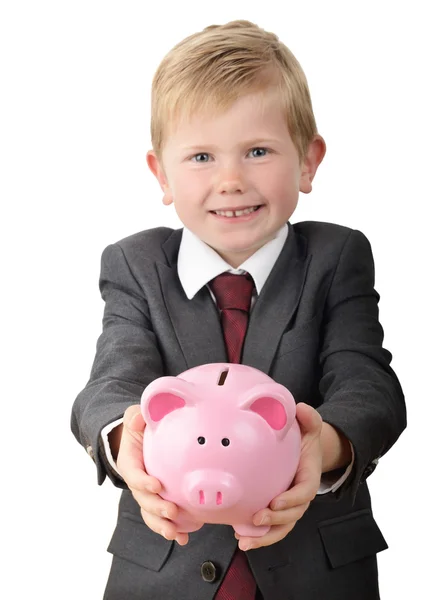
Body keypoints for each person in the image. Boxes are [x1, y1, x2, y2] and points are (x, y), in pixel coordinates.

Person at [71, 19, 406, 600]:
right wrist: (125, 440)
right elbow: (112, 378)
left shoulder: (337, 257)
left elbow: (368, 383)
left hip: (317, 574)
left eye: (257, 151)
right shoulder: (135, 264)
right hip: (163, 573)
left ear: (307, 161)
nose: (230, 180)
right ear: (162, 174)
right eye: (201, 156)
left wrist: (320, 444)